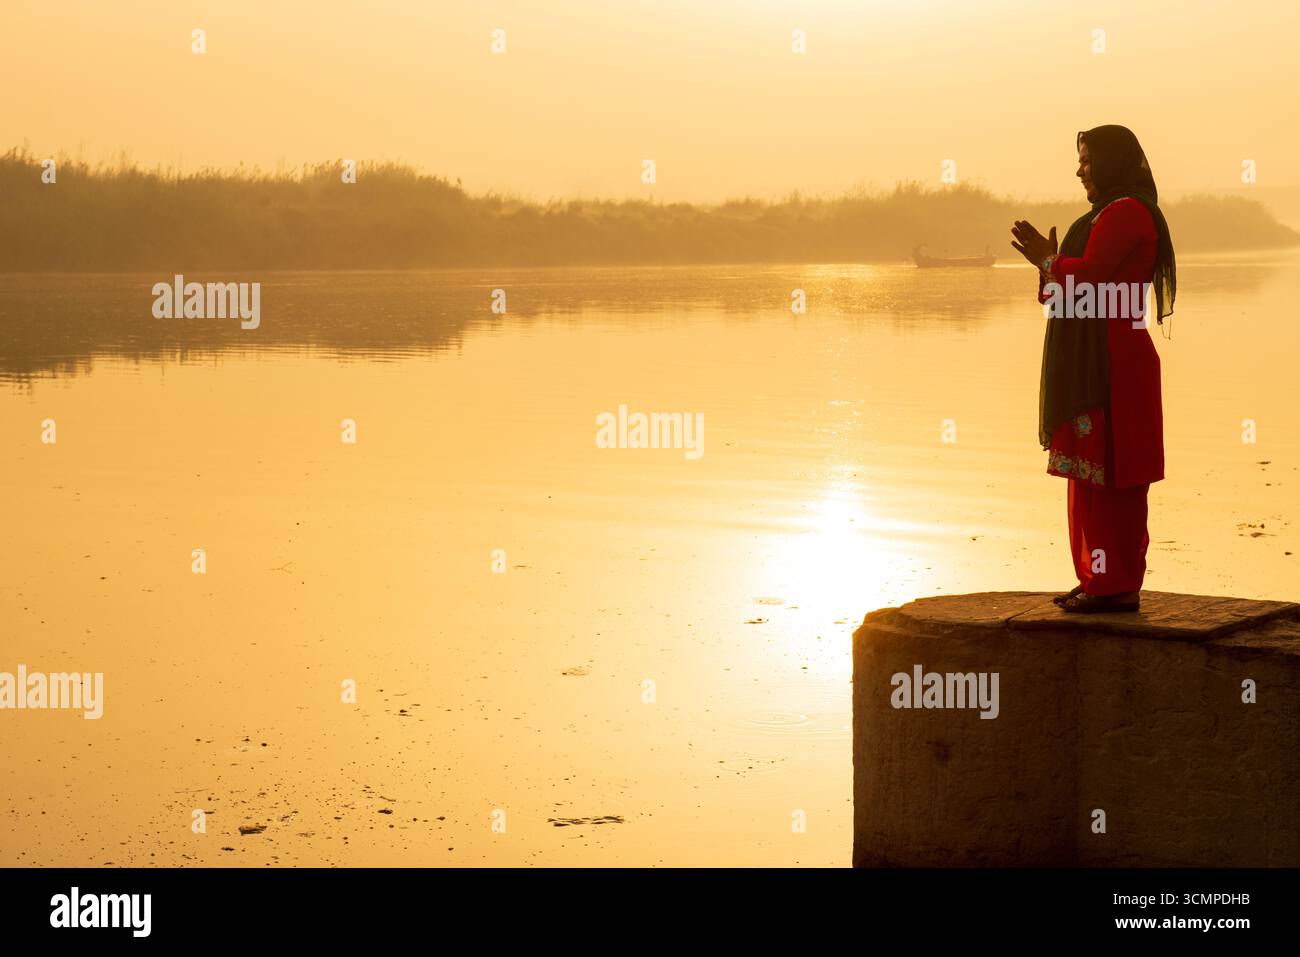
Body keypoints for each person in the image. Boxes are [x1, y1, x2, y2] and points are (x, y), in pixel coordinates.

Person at [1010, 126, 1177, 613]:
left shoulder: (1129, 213)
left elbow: (1092, 276)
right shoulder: (1098, 217)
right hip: (1092, 363)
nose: (1080, 169)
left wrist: (1050, 260)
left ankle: (1116, 584)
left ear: (1112, 162)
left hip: (1115, 365)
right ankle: (1096, 578)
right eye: (1079, 160)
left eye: (1087, 159)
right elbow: (1061, 294)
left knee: (1114, 477)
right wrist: (1051, 265)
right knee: (1088, 478)